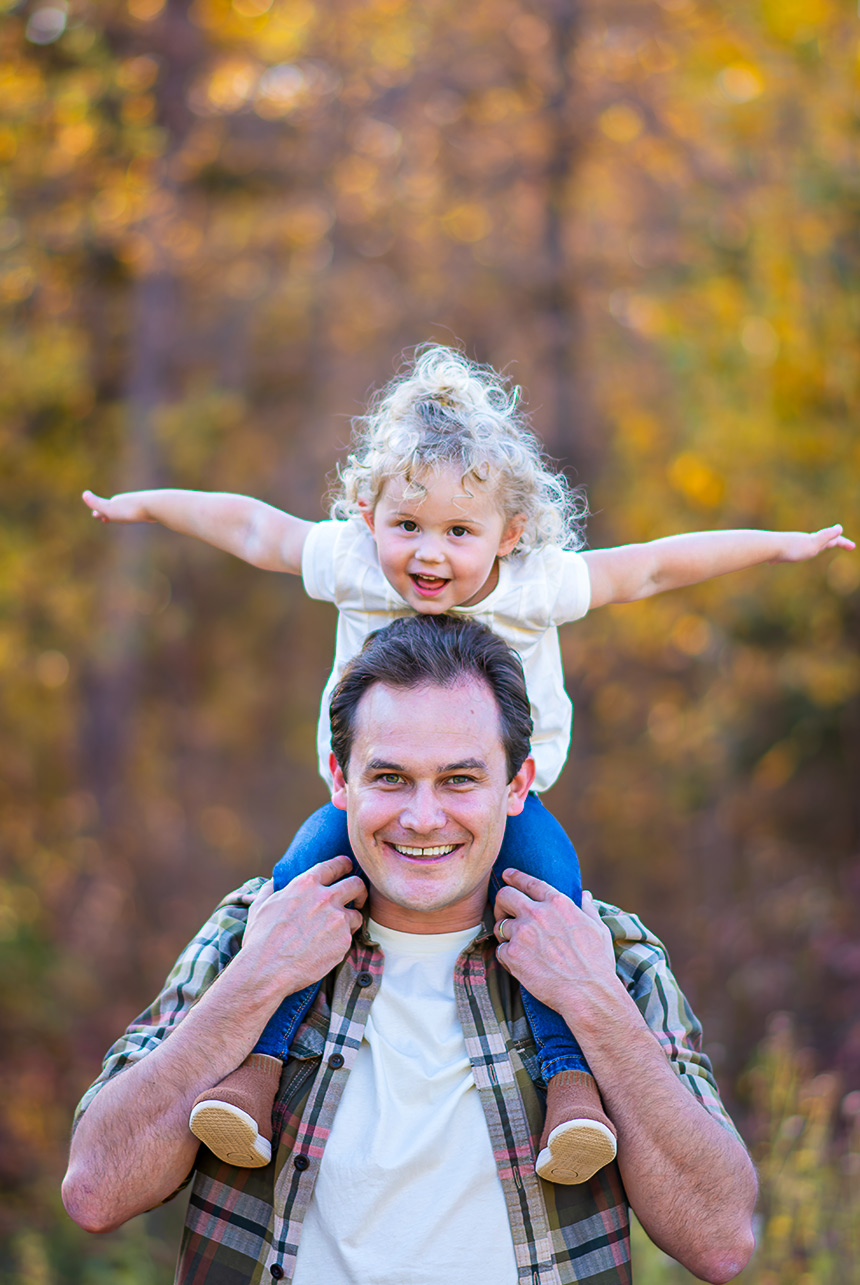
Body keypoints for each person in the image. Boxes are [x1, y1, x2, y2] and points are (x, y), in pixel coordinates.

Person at [81, 344, 852, 1184]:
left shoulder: (533, 585)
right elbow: (254, 527)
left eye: (459, 531)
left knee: (553, 891)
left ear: (509, 533)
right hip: (360, 808)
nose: (429, 555)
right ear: (367, 514)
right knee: (298, 880)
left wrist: (780, 545)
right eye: (406, 525)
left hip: (509, 814)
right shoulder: (352, 563)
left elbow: (657, 565)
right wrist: (143, 504)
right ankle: (254, 1073)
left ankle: (572, 1091)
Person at [62, 614, 757, 1285]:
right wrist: (257, 979)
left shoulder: (607, 953)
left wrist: (593, 1002)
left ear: (517, 785)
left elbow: (721, 1238)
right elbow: (96, 1190)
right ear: (340, 779)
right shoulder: (258, 928)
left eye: (459, 779)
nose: (423, 817)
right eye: (390, 777)